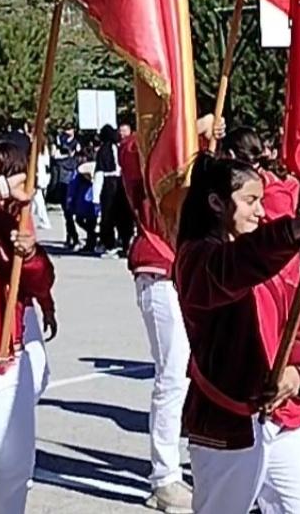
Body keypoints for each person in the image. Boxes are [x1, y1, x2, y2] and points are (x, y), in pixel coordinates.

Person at [174, 154, 300, 513]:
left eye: (262, 200)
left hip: (286, 418)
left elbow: (299, 327)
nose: (261, 211)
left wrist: (297, 374)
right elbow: (234, 268)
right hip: (228, 424)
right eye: (250, 200)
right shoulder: (196, 260)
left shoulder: (265, 257)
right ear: (217, 203)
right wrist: (292, 230)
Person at [119, 116, 222, 511]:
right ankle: (164, 477)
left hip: (193, 268)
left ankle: (202, 457)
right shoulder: (143, 151)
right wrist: (193, 127)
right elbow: (134, 152)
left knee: (200, 370)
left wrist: (208, 146)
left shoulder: (184, 152)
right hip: (160, 271)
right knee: (173, 374)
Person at [0, 148, 54, 514]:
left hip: (9, 361)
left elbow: (39, 283)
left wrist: (32, 254)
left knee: (14, 472)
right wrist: (1, 187)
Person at [94, 125, 132, 257]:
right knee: (124, 214)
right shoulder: (119, 147)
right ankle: (125, 242)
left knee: (108, 215)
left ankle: (110, 244)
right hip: (122, 182)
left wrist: (95, 196)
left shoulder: (103, 150)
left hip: (109, 183)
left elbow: (99, 172)